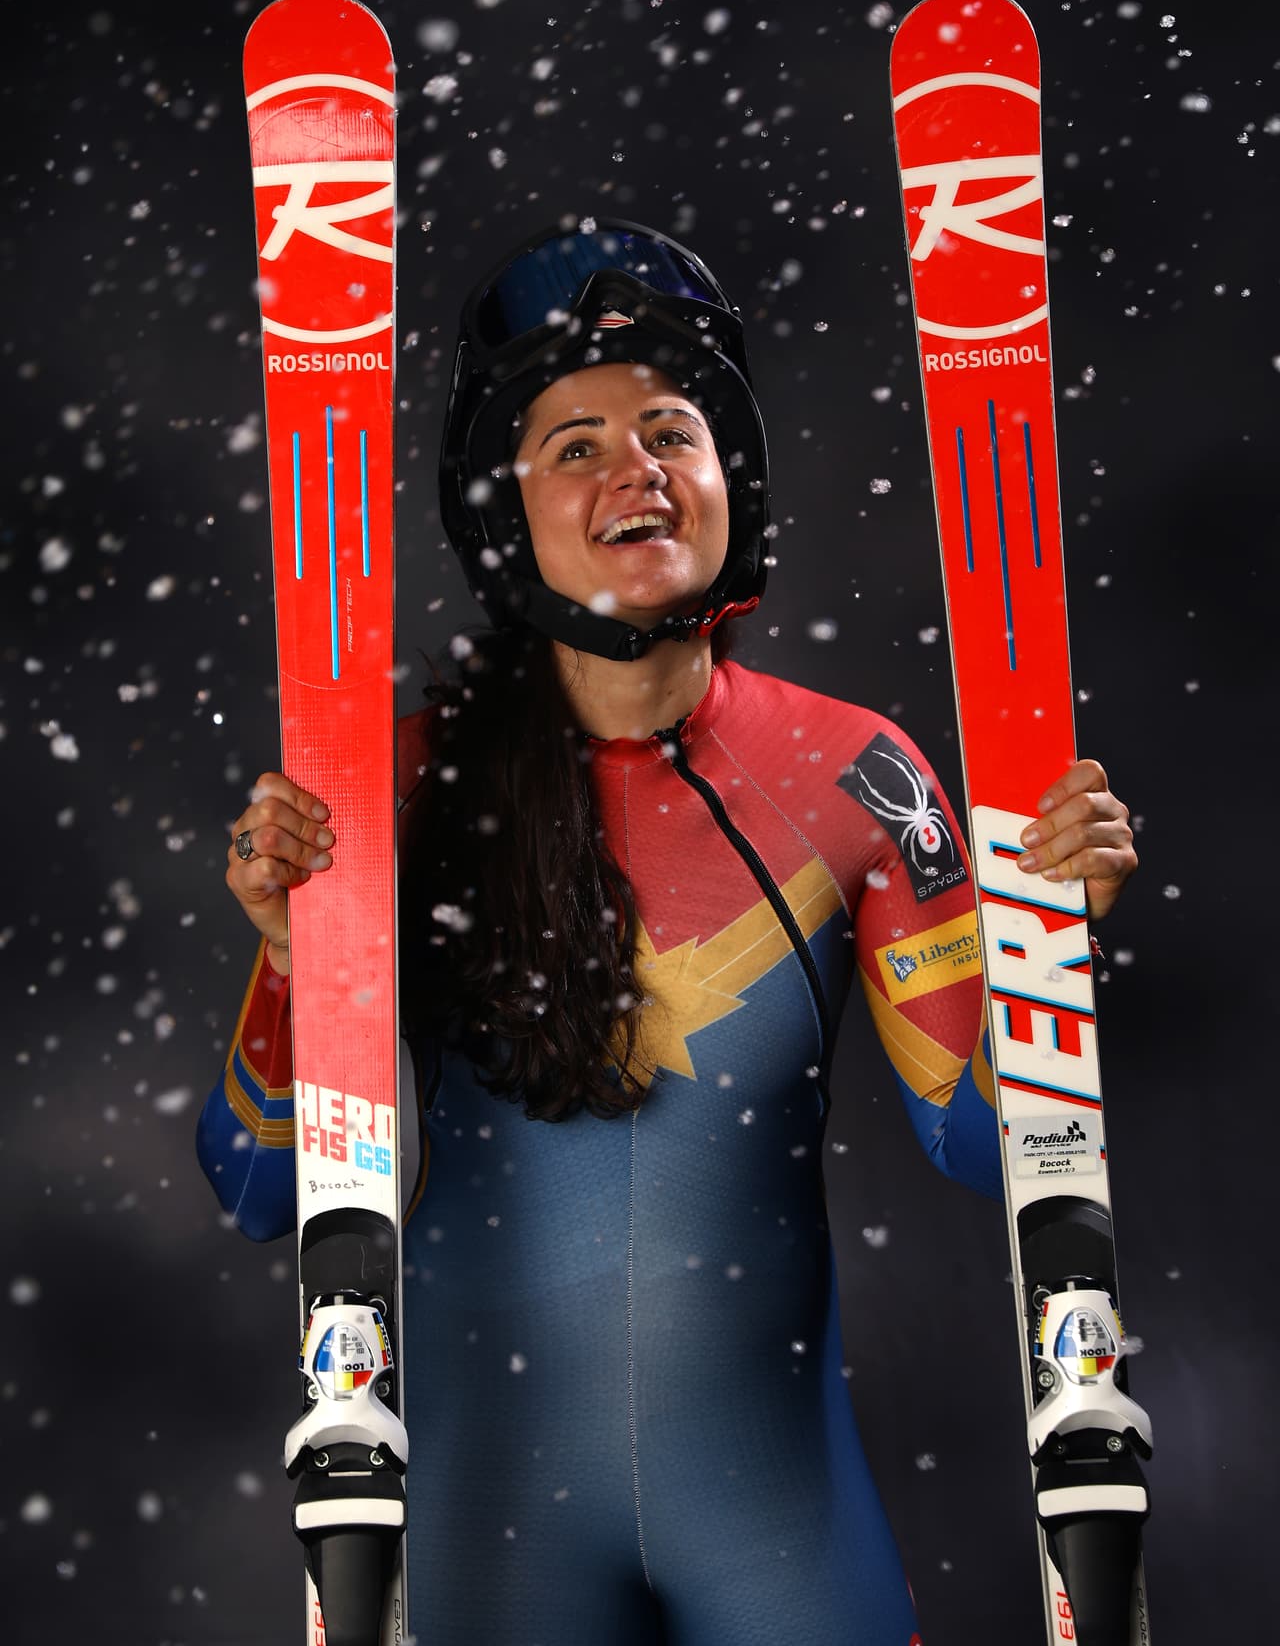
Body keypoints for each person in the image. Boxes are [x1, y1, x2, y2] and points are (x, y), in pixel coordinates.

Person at [197, 217, 1137, 1645]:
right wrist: (286, 951)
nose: (633, 468)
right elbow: (265, 1187)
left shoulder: (859, 775)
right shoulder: (380, 794)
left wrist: (1047, 937)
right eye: (573, 444)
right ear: (501, 515)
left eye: (670, 431)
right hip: (486, 1533)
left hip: (777, 1522)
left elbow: (987, 1142)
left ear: (728, 483)